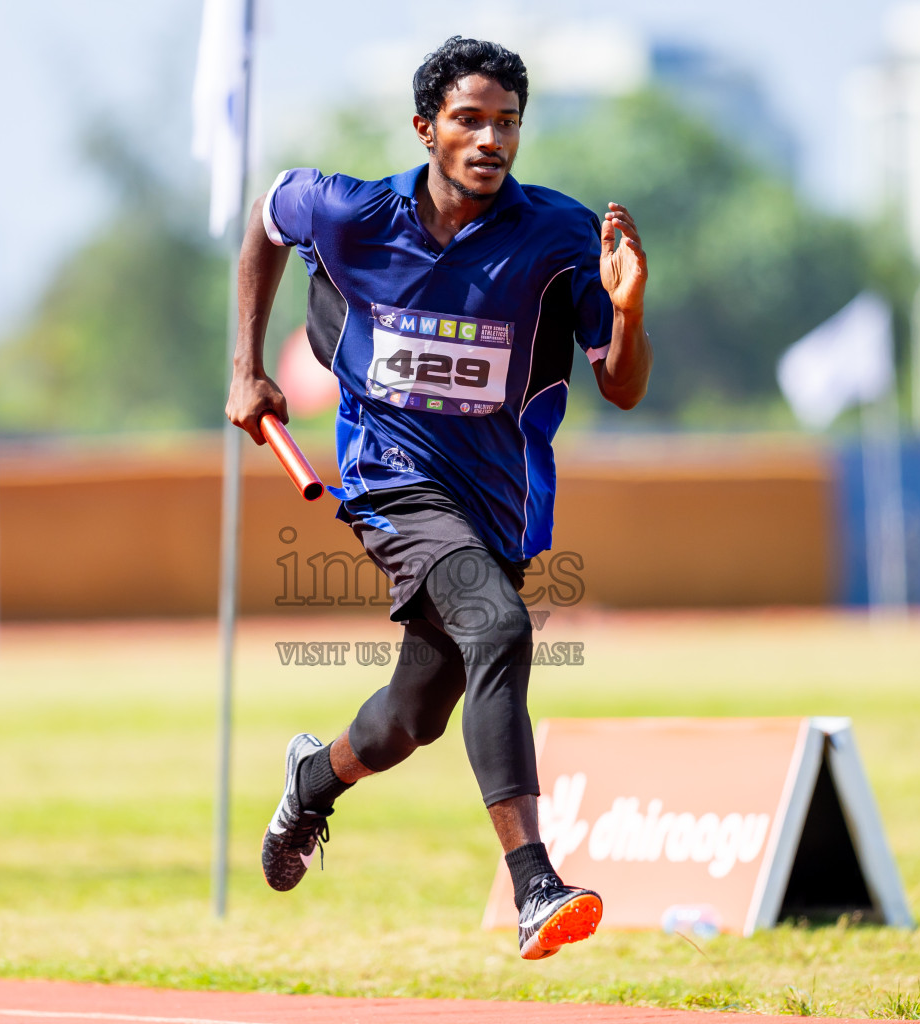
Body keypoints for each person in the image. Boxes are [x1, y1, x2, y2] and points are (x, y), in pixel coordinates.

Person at [225, 35, 650, 961]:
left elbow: (620, 387)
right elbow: (263, 219)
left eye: (507, 123)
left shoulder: (559, 234)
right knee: (500, 629)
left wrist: (627, 309)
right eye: (469, 119)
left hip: (494, 506)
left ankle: (312, 779)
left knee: (412, 718)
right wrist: (246, 368)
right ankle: (536, 883)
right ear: (425, 128)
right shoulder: (348, 211)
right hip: (391, 482)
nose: (491, 138)